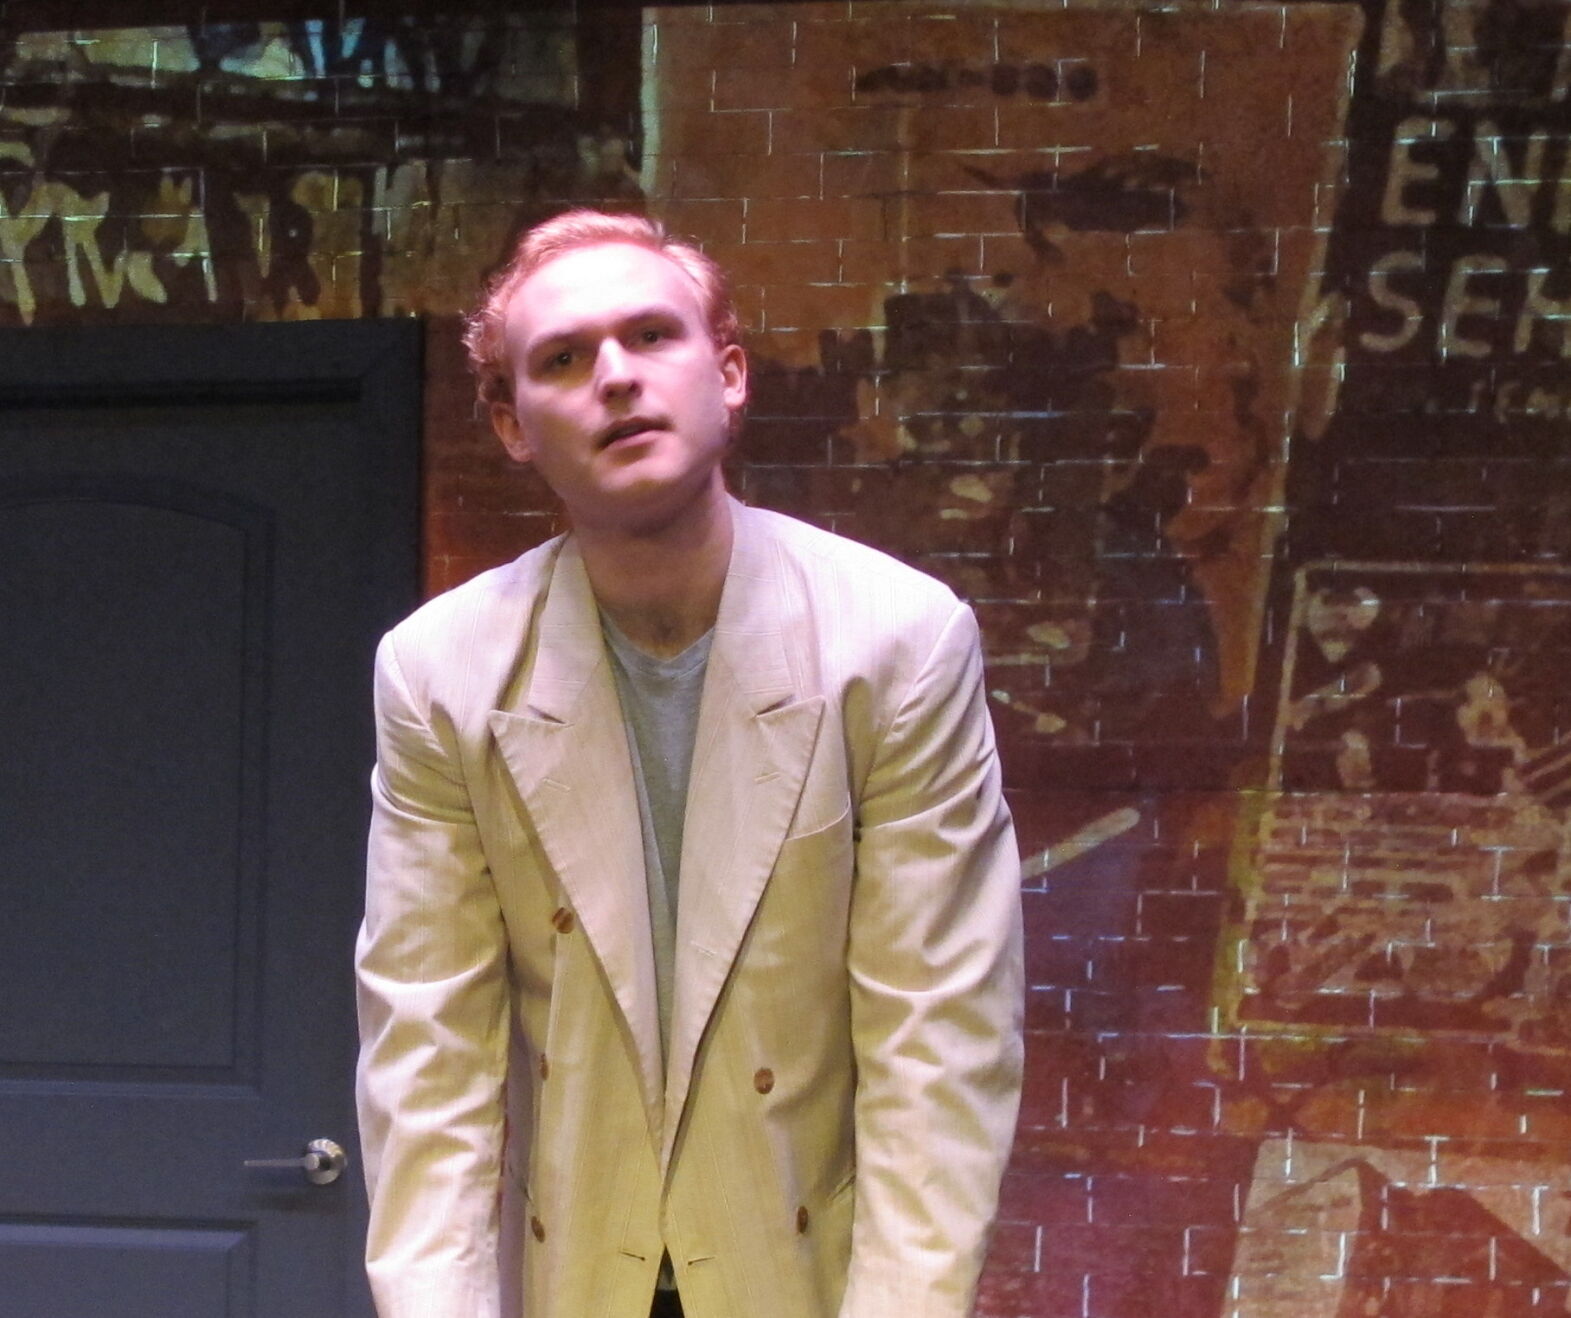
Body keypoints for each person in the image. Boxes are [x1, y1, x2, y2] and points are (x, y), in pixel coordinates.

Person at [354, 208, 1024, 1318]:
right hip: (573, 1266)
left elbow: (937, 1040)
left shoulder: (896, 642)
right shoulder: (441, 672)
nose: (615, 376)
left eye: (651, 335)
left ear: (729, 373)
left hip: (804, 1268)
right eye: (562, 359)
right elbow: (428, 1052)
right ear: (513, 425)